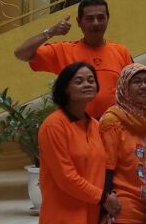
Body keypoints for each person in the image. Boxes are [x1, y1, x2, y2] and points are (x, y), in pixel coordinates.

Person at [16, 0, 133, 118]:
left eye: (101, 18)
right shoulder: (64, 51)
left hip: (116, 125)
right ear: (79, 22)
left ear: (107, 19)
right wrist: (50, 32)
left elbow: (134, 90)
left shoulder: (121, 51)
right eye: (89, 18)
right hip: (78, 126)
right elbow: (21, 53)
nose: (96, 23)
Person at [38, 62, 120, 224]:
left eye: (91, 80)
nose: (87, 84)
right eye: (79, 81)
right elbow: (66, 177)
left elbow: (103, 169)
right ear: (65, 88)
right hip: (63, 216)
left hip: (92, 214)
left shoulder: (96, 126)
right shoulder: (53, 126)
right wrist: (103, 198)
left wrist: (104, 206)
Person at [100, 63, 146, 224]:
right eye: (136, 82)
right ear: (124, 86)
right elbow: (106, 167)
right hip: (124, 205)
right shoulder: (112, 120)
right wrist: (105, 203)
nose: (143, 86)